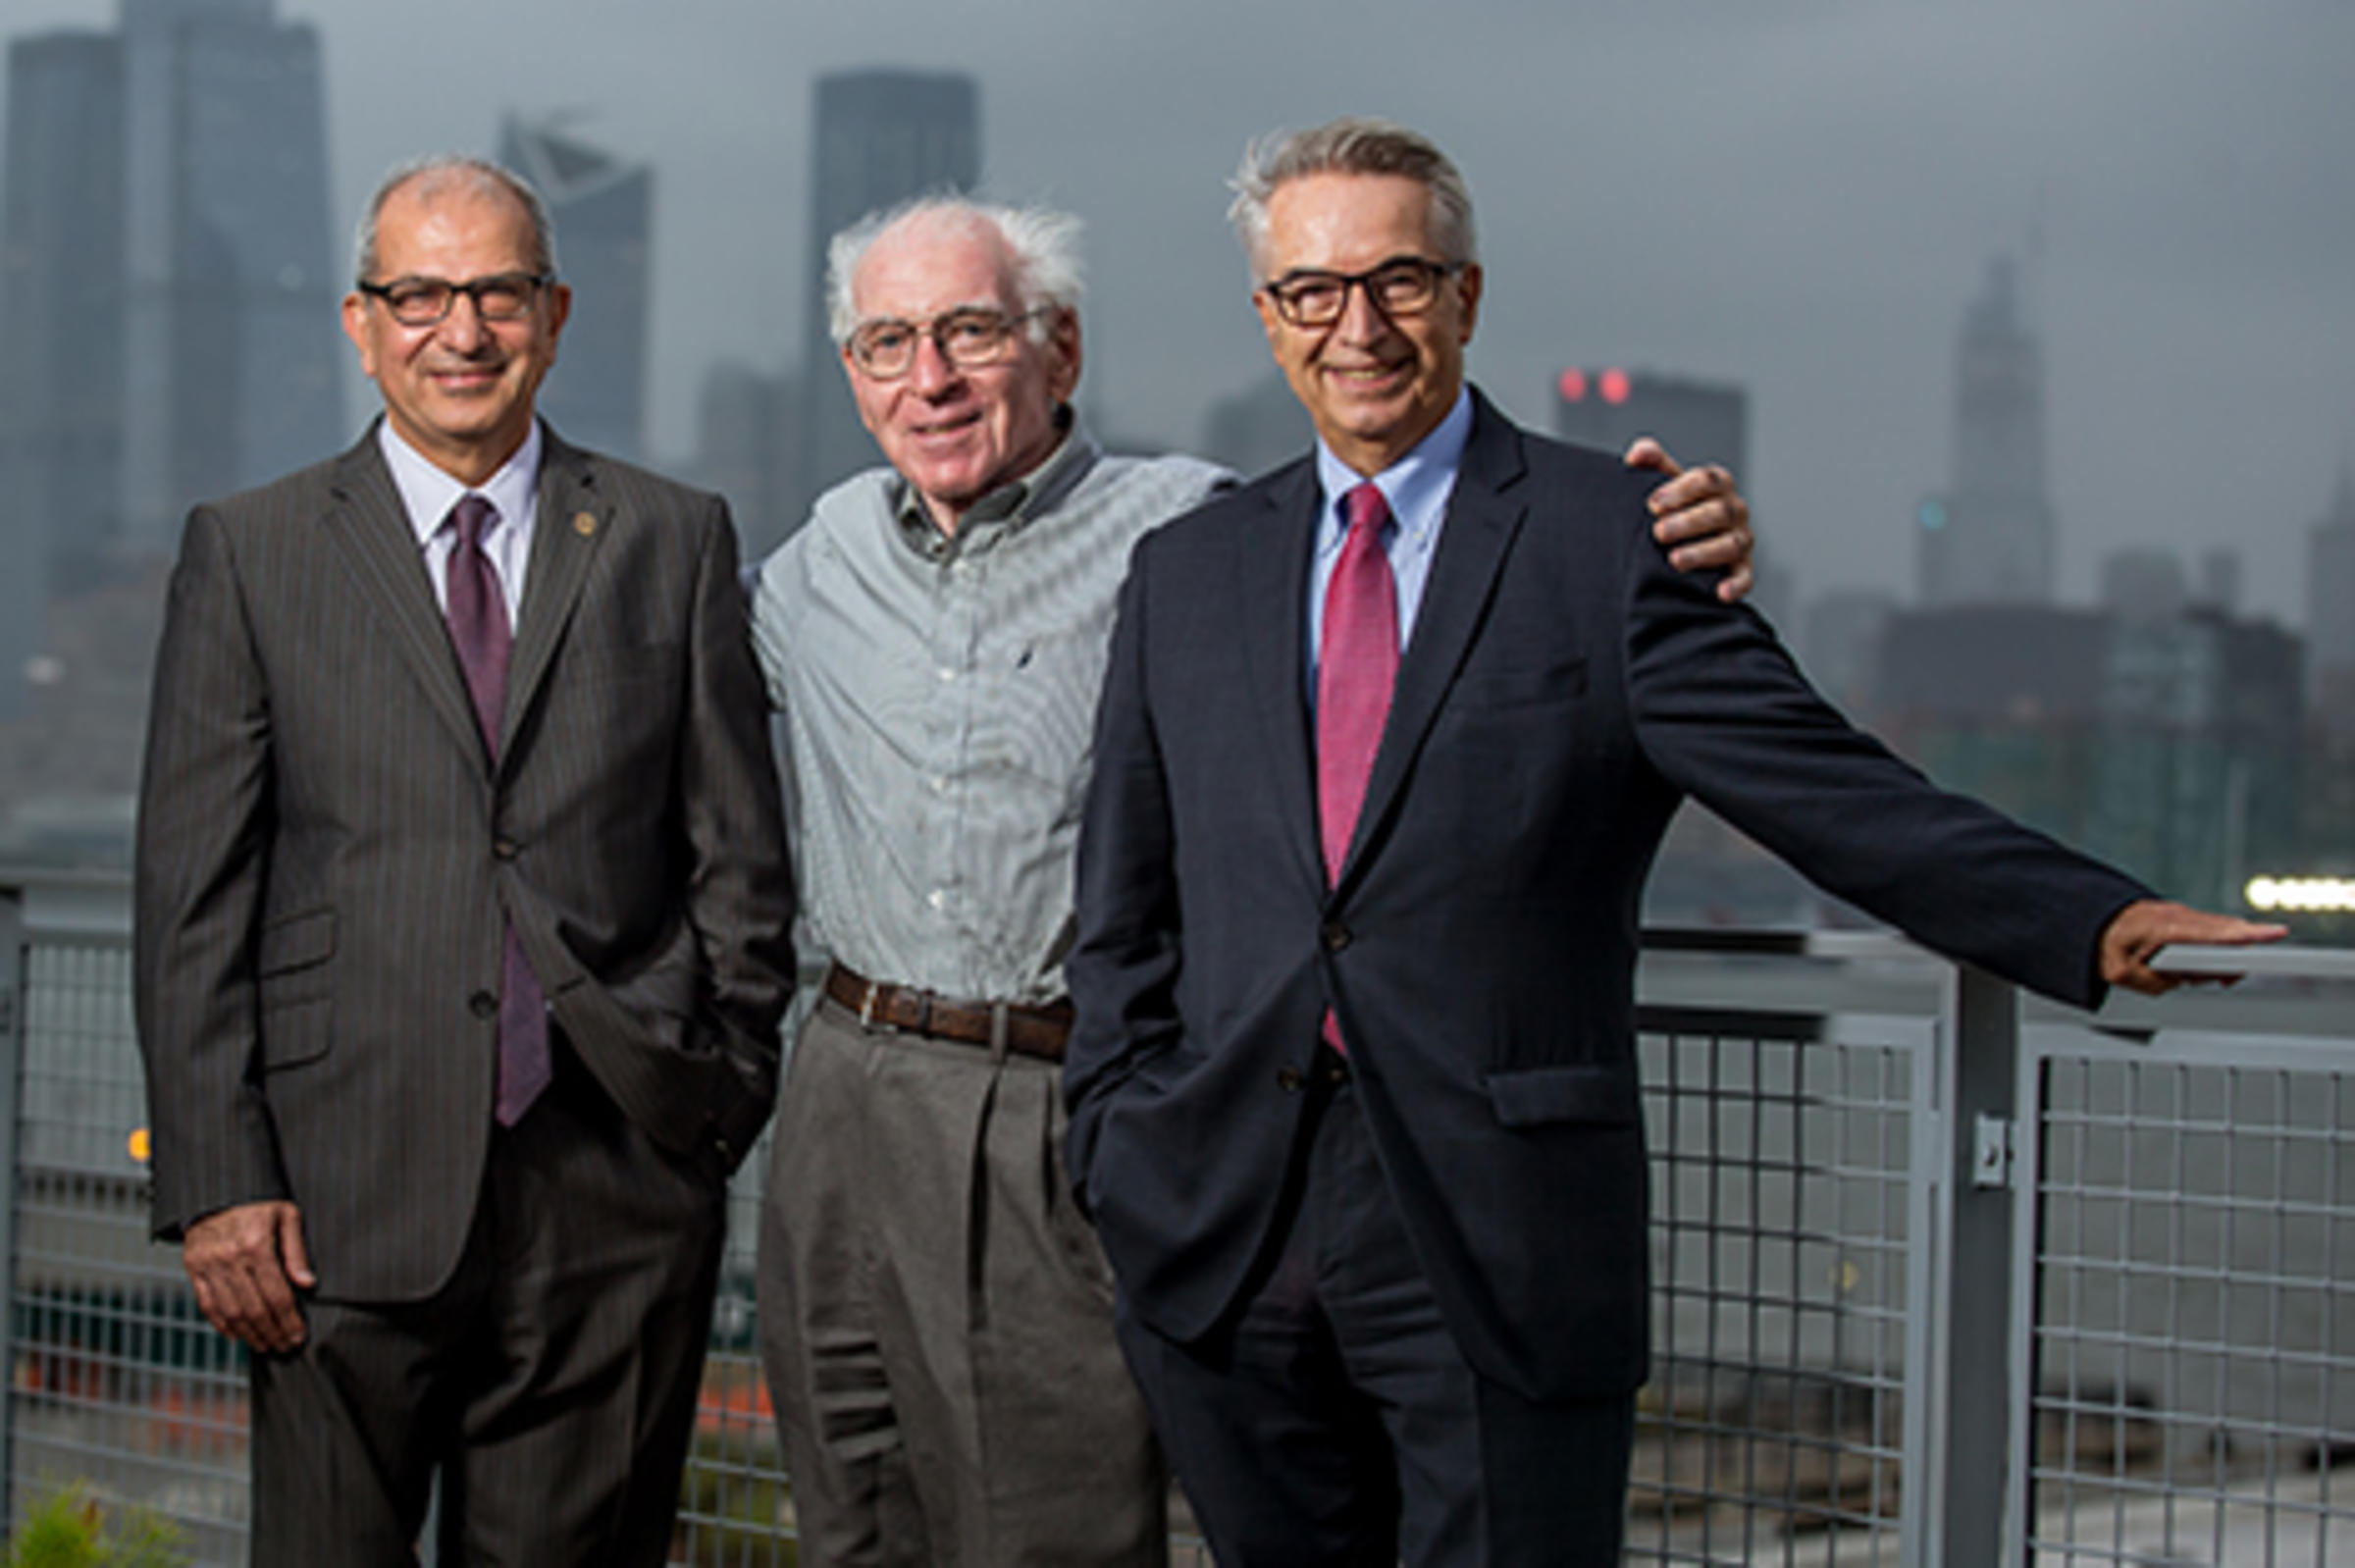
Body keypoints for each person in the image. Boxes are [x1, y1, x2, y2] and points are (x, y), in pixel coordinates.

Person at [1062, 116, 2286, 1567]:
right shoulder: (1189, 571)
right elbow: (1124, 912)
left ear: (1465, 295)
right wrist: (1118, 1139)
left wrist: (2088, 919)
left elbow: (1825, 785)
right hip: (1222, 1226)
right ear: (1271, 321)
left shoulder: (1612, 537)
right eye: (1314, 292)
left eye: (1398, 280)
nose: (1360, 327)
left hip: (1497, 1230)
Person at [744, 195, 1758, 1565]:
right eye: (888, 343)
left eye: (972, 332)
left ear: (1061, 347)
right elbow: (644, 670)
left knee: (1046, 1535)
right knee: (849, 1517)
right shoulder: (817, 561)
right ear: (853, 372)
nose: (929, 378)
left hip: (1048, 1097)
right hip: (843, 1085)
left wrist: (1669, 530)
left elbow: (1413, 568)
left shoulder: (1190, 531)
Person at [132, 156, 794, 1565]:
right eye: (420, 296)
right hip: (329, 1195)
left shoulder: (672, 538)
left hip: (614, 1191)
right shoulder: (251, 552)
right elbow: (193, 898)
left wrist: (707, 1109)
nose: (462, 331)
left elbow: (740, 860)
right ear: (362, 323)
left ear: (555, 314)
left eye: (497, 292)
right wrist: (217, 1179)